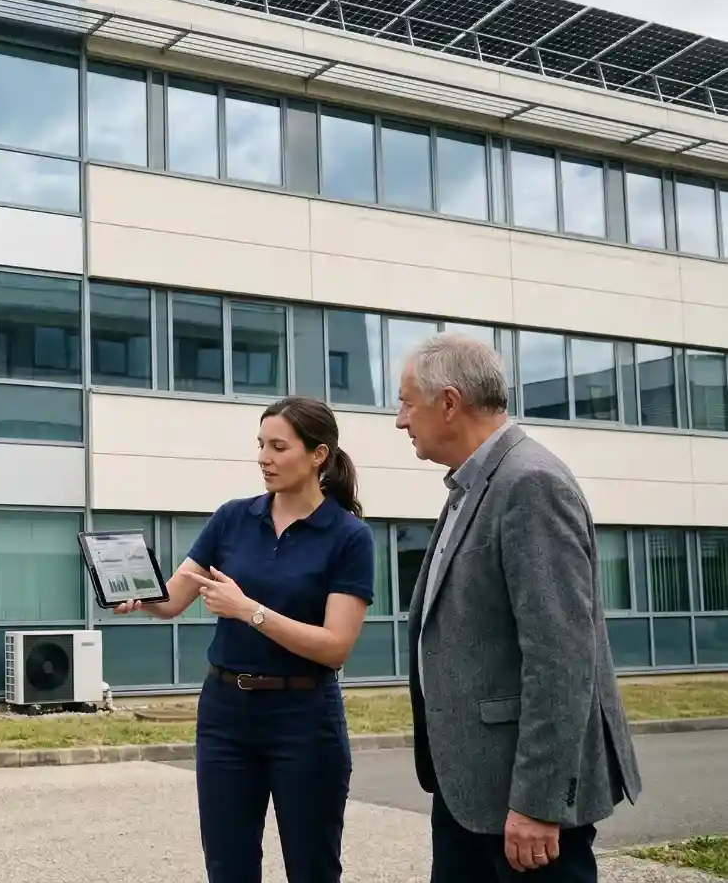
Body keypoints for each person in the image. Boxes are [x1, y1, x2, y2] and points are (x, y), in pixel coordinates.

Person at [395, 333, 642, 882]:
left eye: (407, 402)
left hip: (522, 805)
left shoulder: (529, 483)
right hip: (472, 792)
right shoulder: (472, 484)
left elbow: (562, 657)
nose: (400, 420)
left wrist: (538, 803)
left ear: (450, 403)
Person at [114, 396, 375, 883]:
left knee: (312, 868)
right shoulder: (232, 518)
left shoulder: (348, 536)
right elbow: (173, 600)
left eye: (279, 446)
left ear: (318, 455)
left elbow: (335, 645)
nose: (263, 457)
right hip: (225, 717)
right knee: (228, 868)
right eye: (260, 445)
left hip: (304, 720)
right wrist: (137, 596)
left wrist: (249, 611)